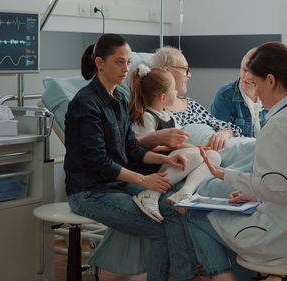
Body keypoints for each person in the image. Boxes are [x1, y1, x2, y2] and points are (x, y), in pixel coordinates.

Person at [187, 42, 287, 281]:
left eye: (256, 84)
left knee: (196, 216)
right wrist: (258, 196)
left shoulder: (278, 125)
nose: (255, 93)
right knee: (232, 224)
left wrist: (224, 174)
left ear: (270, 80)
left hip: (286, 238)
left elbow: (277, 191)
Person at [64, 33, 200, 281]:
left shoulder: (119, 99)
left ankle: (184, 276)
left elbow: (130, 148)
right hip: (89, 192)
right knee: (160, 228)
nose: (126, 68)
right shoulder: (85, 103)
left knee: (174, 211)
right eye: (119, 62)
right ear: (99, 63)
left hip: (116, 186)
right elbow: (98, 162)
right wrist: (143, 181)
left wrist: (165, 160)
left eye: (128, 62)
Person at [129, 64, 222, 221]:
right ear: (163, 97)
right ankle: (151, 193)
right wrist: (189, 150)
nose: (177, 92)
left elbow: (179, 144)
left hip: (171, 159)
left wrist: (198, 148)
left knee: (213, 156)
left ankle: (185, 192)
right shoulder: (147, 117)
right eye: (174, 90)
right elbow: (143, 148)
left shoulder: (169, 116)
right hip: (152, 166)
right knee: (196, 155)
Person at [137, 46, 242, 151]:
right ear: (167, 71)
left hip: (225, 145)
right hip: (203, 152)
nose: (189, 75)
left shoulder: (191, 104)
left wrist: (224, 134)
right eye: (185, 70)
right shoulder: (153, 114)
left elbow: (227, 126)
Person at [211, 48, 267, 138]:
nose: (246, 76)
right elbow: (219, 135)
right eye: (244, 70)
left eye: (253, 72)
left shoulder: (271, 96)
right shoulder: (225, 95)